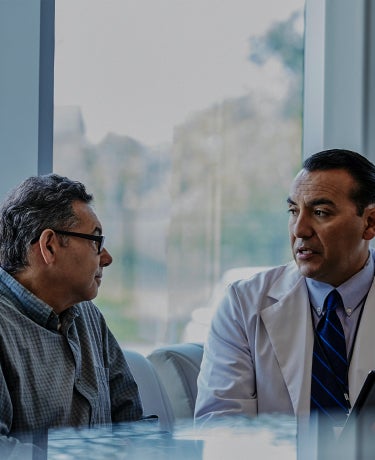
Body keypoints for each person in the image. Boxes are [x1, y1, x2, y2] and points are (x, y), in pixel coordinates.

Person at [195, 149, 375, 429]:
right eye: (293, 211)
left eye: (320, 212)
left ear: (369, 222)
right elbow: (219, 426)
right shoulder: (242, 303)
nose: (300, 229)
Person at [0, 174, 143, 457]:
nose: (107, 258)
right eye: (96, 241)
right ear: (49, 245)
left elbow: (131, 423)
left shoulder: (89, 317)